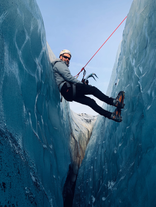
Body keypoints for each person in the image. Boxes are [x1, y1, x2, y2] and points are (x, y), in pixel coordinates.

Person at [52, 49, 125, 122]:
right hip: (68, 89)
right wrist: (82, 84)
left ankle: (112, 116)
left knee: (91, 102)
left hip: (68, 93)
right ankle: (114, 102)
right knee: (93, 90)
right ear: (60, 57)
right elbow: (68, 77)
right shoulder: (59, 64)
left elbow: (67, 79)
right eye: (65, 57)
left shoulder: (59, 66)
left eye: (69, 58)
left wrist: (81, 85)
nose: (67, 59)